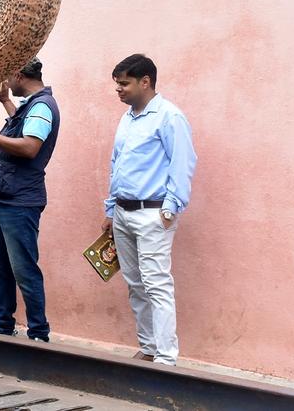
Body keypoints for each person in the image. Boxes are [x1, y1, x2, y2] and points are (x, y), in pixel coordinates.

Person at [103, 54, 196, 365]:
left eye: (124, 83)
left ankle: (167, 359)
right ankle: (149, 347)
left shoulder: (170, 117)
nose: (119, 89)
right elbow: (117, 165)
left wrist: (170, 209)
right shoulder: (127, 117)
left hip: (153, 213)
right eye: (117, 84)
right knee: (135, 284)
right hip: (123, 213)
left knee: (157, 284)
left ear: (146, 82)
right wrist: (110, 208)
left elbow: (182, 165)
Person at [0, 58, 59, 342]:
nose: (4, 82)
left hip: (20, 202)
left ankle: (39, 333)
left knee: (24, 269)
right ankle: (2, 326)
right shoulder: (31, 105)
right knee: (1, 266)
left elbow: (30, 146)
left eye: (7, 76)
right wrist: (6, 103)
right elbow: (22, 128)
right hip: (5, 197)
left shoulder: (42, 107)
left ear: (18, 73)